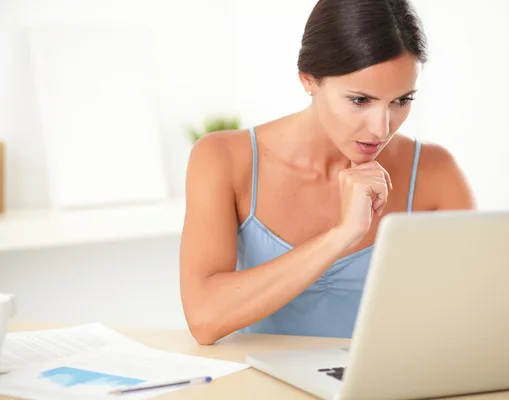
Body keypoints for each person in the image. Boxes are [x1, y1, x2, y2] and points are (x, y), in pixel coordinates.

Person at [179, 0, 476, 346]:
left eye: (402, 100)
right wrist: (343, 234)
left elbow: (472, 316)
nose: (381, 128)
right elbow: (204, 318)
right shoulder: (222, 158)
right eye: (360, 100)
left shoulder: (436, 172)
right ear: (309, 79)